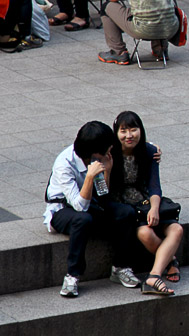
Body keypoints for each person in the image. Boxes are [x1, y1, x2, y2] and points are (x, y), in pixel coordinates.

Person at [44, 121, 140, 299]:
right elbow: (79, 206)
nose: (108, 153)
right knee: (83, 219)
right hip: (62, 210)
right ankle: (72, 276)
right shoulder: (64, 164)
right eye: (105, 150)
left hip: (90, 206)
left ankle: (120, 267)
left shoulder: (96, 159)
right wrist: (89, 176)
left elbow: (103, 196)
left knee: (126, 212)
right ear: (93, 151)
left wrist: (107, 172)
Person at [110, 111, 182, 296]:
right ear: (116, 133)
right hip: (126, 208)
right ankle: (171, 260)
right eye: (123, 131)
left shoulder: (149, 151)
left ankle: (153, 276)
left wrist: (155, 209)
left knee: (177, 229)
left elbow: (154, 186)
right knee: (145, 233)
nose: (129, 135)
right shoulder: (110, 154)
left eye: (133, 130)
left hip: (146, 203)